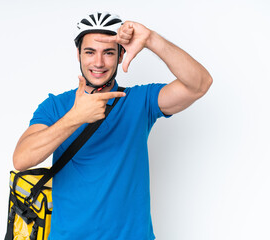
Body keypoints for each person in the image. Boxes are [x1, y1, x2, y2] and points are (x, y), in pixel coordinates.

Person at [13, 12, 212, 240]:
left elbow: (199, 84)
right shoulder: (55, 106)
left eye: (108, 53)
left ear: (120, 55)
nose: (98, 62)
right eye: (90, 52)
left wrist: (151, 39)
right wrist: (75, 117)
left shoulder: (140, 100)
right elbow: (22, 159)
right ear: (78, 54)